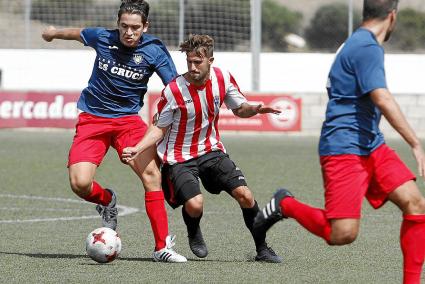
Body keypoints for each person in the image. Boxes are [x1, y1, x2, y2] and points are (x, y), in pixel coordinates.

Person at [253, 0, 425, 282]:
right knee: (342, 234)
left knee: (415, 204)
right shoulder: (366, 47)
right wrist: (415, 142)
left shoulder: (352, 44)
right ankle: (285, 204)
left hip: (372, 144)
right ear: (392, 17)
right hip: (344, 148)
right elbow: (381, 97)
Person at [41, 0, 187, 263]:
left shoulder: (154, 50)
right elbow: (78, 34)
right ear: (117, 24)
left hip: (128, 122)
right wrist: (53, 32)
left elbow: (173, 87)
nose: (129, 33)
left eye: (134, 28)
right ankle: (107, 201)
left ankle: (161, 247)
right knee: (80, 184)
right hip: (92, 120)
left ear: (145, 27)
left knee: (152, 175)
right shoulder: (103, 38)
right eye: (124, 27)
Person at [121, 34, 283, 262]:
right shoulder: (173, 90)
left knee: (245, 196)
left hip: (211, 151)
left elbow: (240, 109)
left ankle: (263, 248)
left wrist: (255, 109)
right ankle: (193, 231)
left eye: (198, 62)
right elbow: (159, 128)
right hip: (179, 158)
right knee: (195, 205)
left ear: (210, 60)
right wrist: (138, 148)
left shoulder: (222, 78)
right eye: (189, 62)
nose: (193, 67)